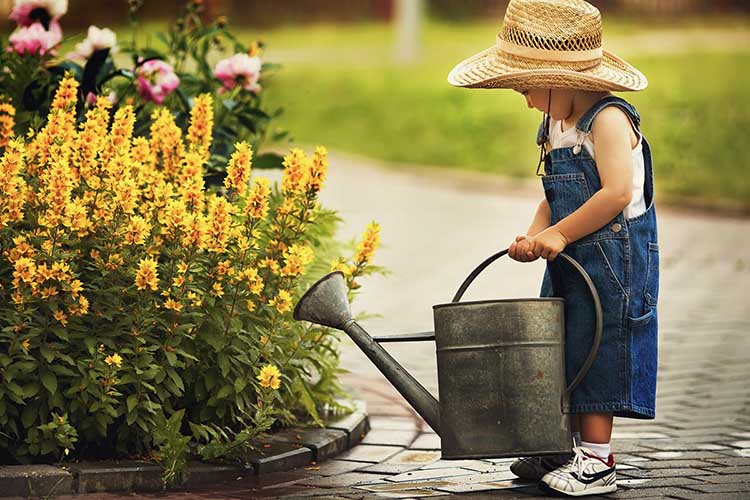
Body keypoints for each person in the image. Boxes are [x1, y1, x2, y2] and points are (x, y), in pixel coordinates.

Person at [448, 0, 660, 496]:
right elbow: (552, 195)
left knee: (599, 346)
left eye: (525, 88)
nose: (524, 100)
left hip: (615, 260)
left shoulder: (608, 120)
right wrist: (535, 233)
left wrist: (561, 234)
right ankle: (556, 444)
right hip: (572, 256)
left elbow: (616, 194)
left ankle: (597, 460)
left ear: (561, 78)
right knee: (557, 342)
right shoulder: (554, 125)